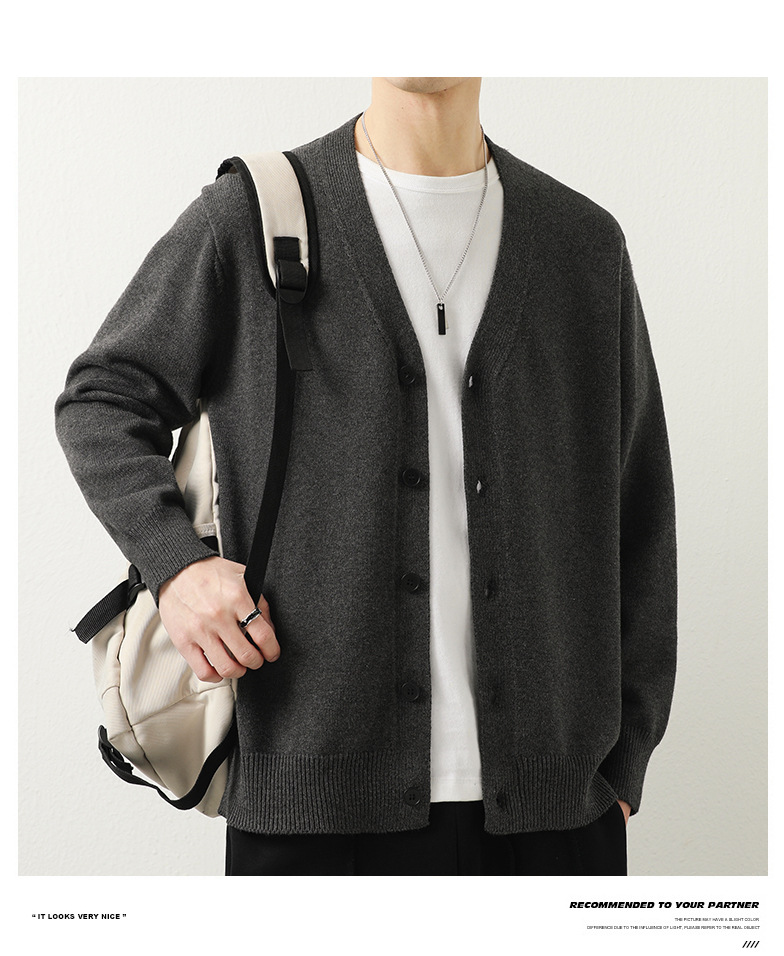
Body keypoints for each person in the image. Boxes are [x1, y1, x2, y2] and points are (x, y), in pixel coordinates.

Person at [54, 77, 677, 876]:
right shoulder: (253, 219)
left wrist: (626, 760)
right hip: (309, 811)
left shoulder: (581, 245)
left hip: (557, 815)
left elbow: (640, 508)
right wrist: (177, 568)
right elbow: (102, 398)